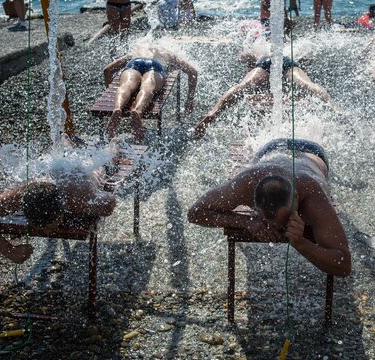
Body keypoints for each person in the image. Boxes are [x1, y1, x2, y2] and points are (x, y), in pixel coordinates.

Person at [187, 138, 351, 276]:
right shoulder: (247, 184)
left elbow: (344, 265)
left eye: (285, 218)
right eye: (268, 219)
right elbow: (195, 212)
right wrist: (247, 222)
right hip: (271, 148)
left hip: (312, 152)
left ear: (296, 197)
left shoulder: (312, 197)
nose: (279, 227)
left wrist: (300, 243)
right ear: (253, 203)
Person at [0, 136, 120, 264]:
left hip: (84, 176)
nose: (47, 232)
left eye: (48, 226)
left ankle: (114, 142)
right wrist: (10, 251)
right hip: (56, 173)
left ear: (62, 208)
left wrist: (93, 198)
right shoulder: (23, 195)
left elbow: (110, 203)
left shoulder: (77, 200)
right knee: (62, 155)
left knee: (105, 162)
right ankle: (64, 138)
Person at [193, 43, 341, 139]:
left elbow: (244, 57)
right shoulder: (292, 51)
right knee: (307, 85)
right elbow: (308, 60)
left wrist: (247, 59)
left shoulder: (258, 48)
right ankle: (334, 108)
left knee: (242, 87)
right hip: (287, 62)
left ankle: (213, 112)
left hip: (264, 63)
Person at [103, 46, 198, 142]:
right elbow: (192, 71)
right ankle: (137, 111)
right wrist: (190, 99)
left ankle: (117, 108)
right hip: (156, 65)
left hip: (134, 63)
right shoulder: (167, 51)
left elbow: (107, 70)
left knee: (126, 85)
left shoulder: (136, 50)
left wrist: (110, 92)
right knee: (148, 87)